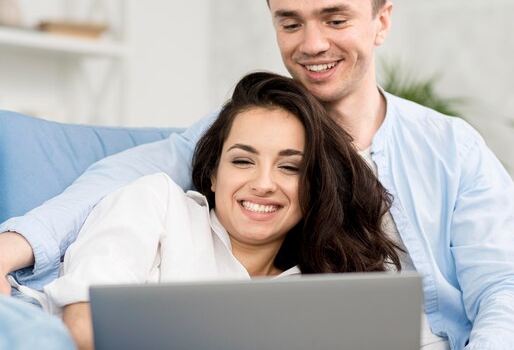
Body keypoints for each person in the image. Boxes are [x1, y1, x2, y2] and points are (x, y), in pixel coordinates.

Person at [0, 0, 514, 349]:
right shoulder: (224, 142)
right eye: (289, 21)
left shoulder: (452, 148)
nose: (312, 43)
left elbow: (503, 290)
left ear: (381, 23)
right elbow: (113, 183)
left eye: (335, 19)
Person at [31, 71, 401, 349]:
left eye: (290, 167)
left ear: (315, 188)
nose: (263, 183)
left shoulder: (319, 290)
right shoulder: (156, 204)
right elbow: (83, 324)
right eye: (243, 161)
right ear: (212, 174)